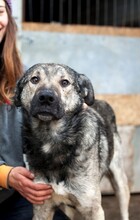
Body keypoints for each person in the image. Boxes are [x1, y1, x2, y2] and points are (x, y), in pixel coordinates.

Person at [0, 1, 68, 219]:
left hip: (9, 196)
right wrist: (6, 175)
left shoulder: (22, 78)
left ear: (8, 19)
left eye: (0, 11)